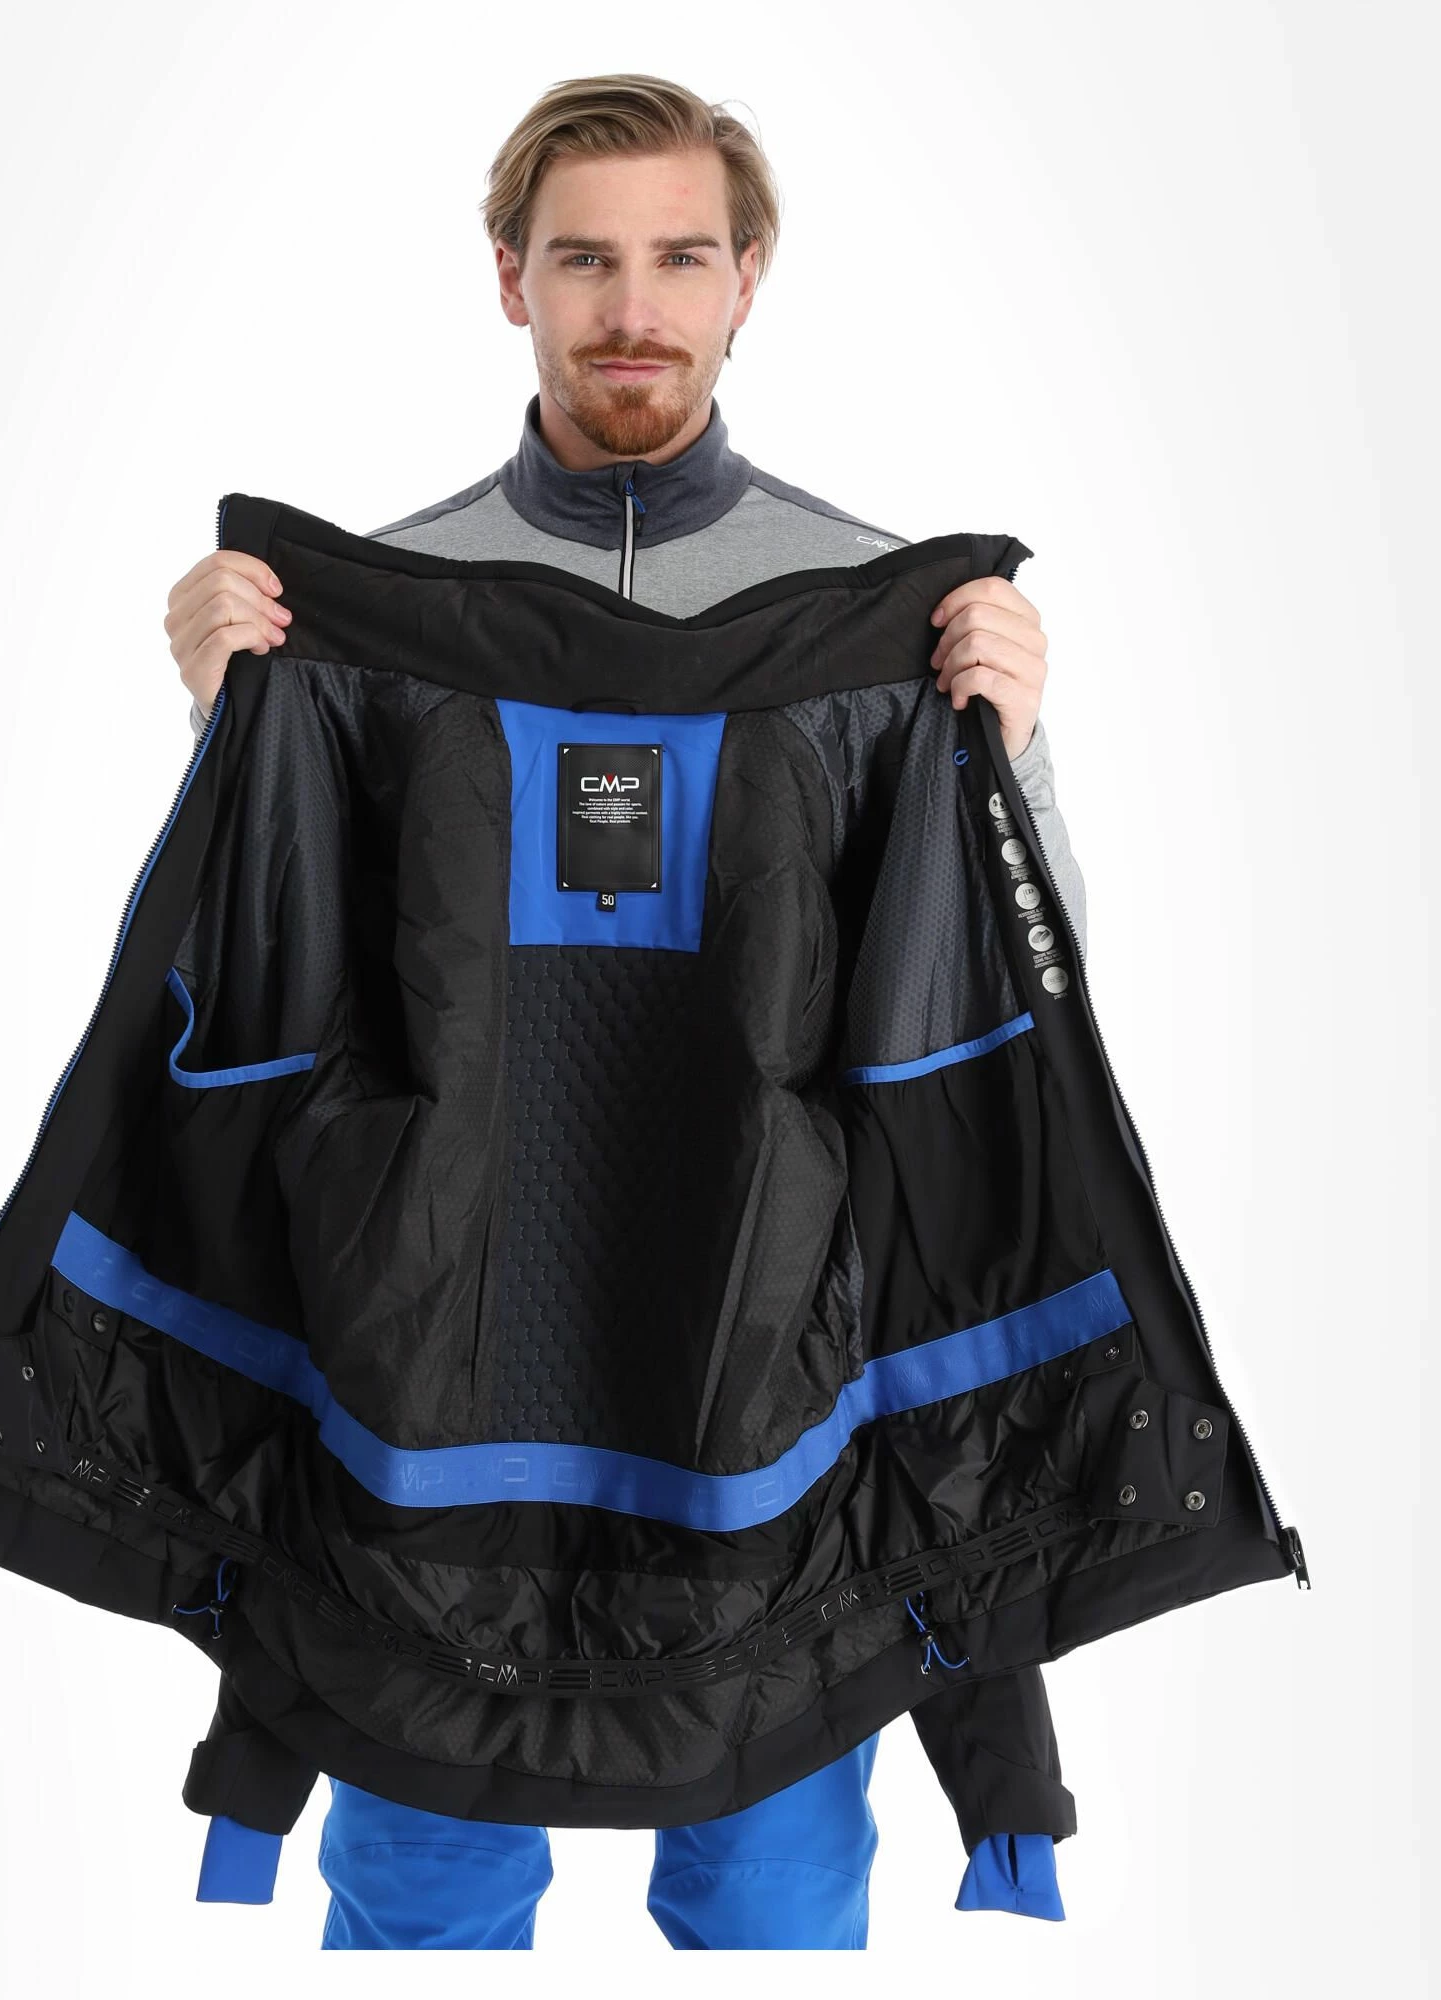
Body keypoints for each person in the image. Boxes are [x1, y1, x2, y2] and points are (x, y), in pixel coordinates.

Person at [162, 72, 1084, 1952]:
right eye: (584, 260)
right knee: (419, 1912)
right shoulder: (379, 605)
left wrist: (1013, 752)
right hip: (437, 1377)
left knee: (775, 1911)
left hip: (760, 1368)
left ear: (748, 281)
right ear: (513, 280)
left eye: (679, 257)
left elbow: (1015, 997)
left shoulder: (871, 609)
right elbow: (252, 995)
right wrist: (231, 729)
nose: (632, 307)